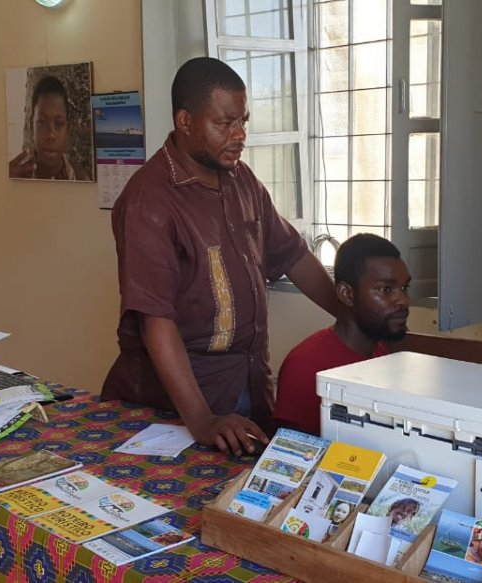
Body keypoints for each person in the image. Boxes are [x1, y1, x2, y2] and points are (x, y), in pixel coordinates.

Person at [102, 57, 338, 456]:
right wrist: (201, 419)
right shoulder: (150, 201)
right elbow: (155, 320)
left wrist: (350, 316)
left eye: (243, 120)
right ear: (185, 121)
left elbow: (293, 255)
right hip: (175, 409)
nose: (239, 134)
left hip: (248, 386)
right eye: (225, 123)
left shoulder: (242, 180)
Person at [273, 233, 410, 435]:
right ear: (347, 294)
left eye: (404, 288)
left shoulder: (380, 353)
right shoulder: (305, 366)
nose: (402, 301)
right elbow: (294, 457)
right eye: (386, 289)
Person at [8, 75, 76, 180]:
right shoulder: (15, 177)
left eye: (59, 123)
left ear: (68, 127)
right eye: (42, 122)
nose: (50, 135)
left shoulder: (81, 177)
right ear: (31, 124)